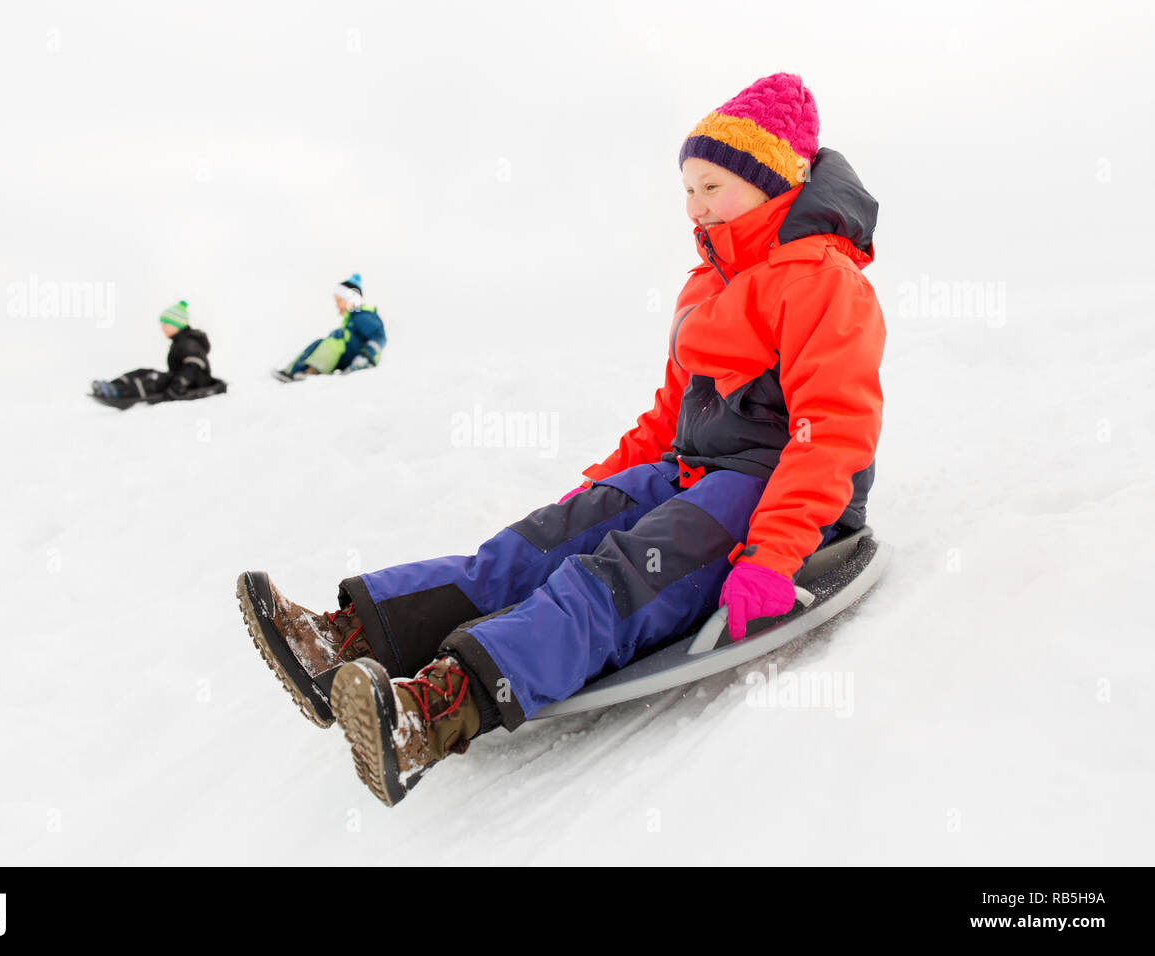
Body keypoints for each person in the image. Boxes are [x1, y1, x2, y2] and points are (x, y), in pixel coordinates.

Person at [237, 73, 886, 806]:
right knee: (539, 544)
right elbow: (670, 415)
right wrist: (602, 488)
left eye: (713, 187)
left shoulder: (822, 282)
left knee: (617, 577)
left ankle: (439, 711)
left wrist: (776, 553)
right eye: (688, 189)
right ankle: (347, 639)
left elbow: (832, 430)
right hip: (693, 471)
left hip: (774, 490)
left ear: (775, 182)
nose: (696, 206)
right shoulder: (705, 285)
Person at [92, 301, 214, 400]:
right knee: (143, 372)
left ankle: (119, 392)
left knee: (155, 380)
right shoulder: (181, 341)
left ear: (177, 324)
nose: (162, 327)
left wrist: (179, 384)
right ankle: (112, 386)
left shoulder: (189, 342)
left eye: (166, 323)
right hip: (180, 379)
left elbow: (194, 364)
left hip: (195, 382)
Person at [276, 274, 386, 381]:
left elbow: (379, 337)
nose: (337, 305)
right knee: (321, 342)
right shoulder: (352, 319)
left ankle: (313, 372)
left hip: (365, 359)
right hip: (349, 356)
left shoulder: (363, 316)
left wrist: (366, 356)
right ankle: (294, 371)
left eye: (339, 301)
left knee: (337, 336)